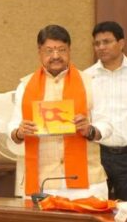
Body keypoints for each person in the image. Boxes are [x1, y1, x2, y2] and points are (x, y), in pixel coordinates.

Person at [8, 25, 108, 198]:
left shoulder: (90, 82)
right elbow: (12, 127)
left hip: (87, 182)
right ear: (39, 52)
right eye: (49, 51)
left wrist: (90, 129)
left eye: (61, 50)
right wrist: (19, 132)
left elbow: (107, 124)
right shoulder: (25, 86)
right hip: (43, 182)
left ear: (69, 50)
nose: (55, 56)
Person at [83, 21, 127, 201]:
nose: (101, 47)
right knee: (96, 207)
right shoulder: (87, 76)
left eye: (106, 42)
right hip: (97, 154)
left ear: (121, 43)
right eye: (97, 43)